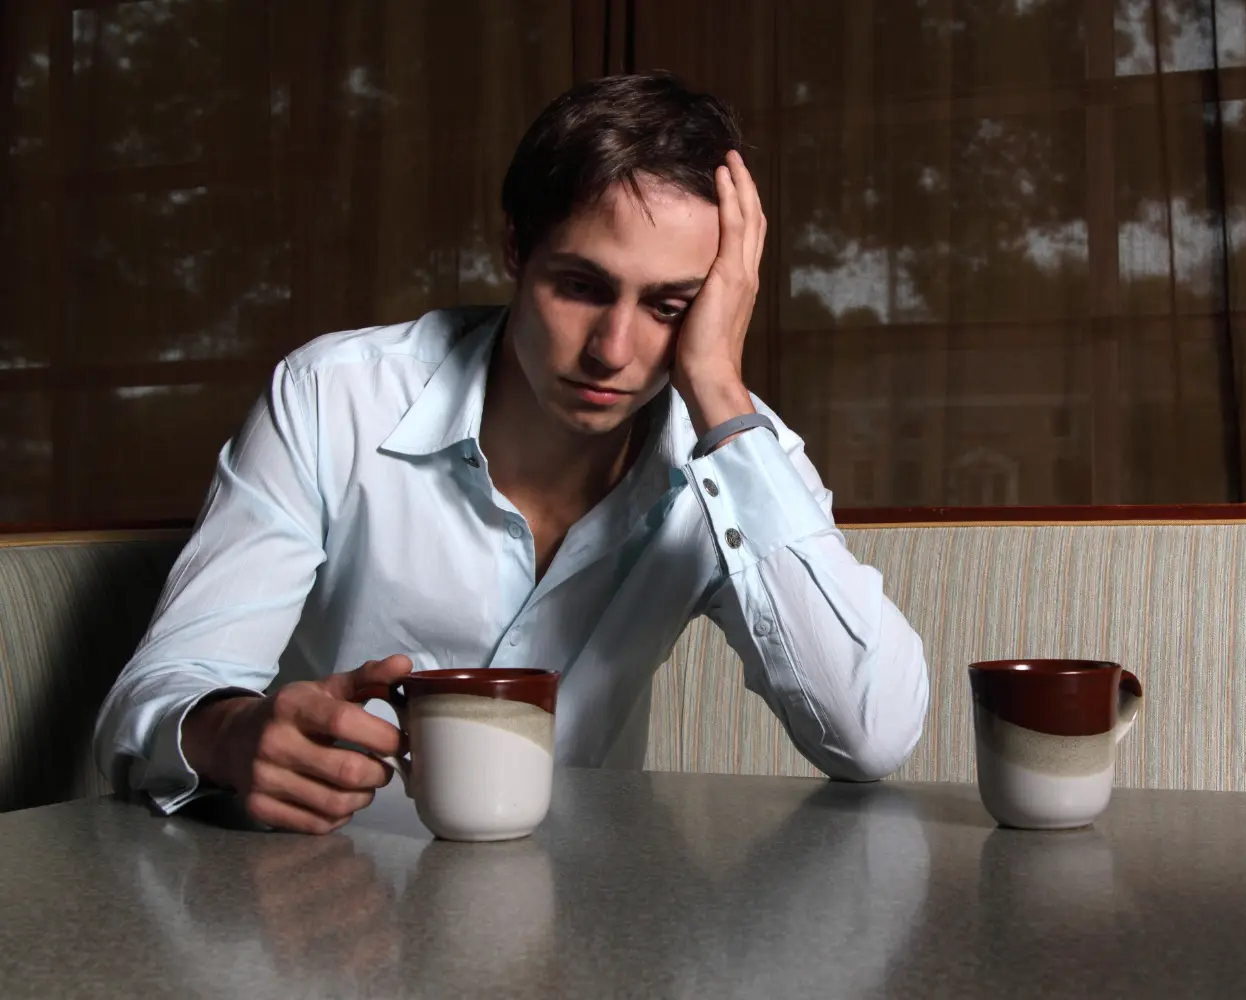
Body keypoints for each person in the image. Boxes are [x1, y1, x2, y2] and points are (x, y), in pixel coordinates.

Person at [93, 72, 930, 835]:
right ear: (514, 251)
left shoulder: (738, 455)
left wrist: (714, 381)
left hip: (584, 925)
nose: (614, 348)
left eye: (670, 307)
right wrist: (233, 734)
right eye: (582, 287)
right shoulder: (331, 398)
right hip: (327, 908)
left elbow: (868, 733)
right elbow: (158, 691)